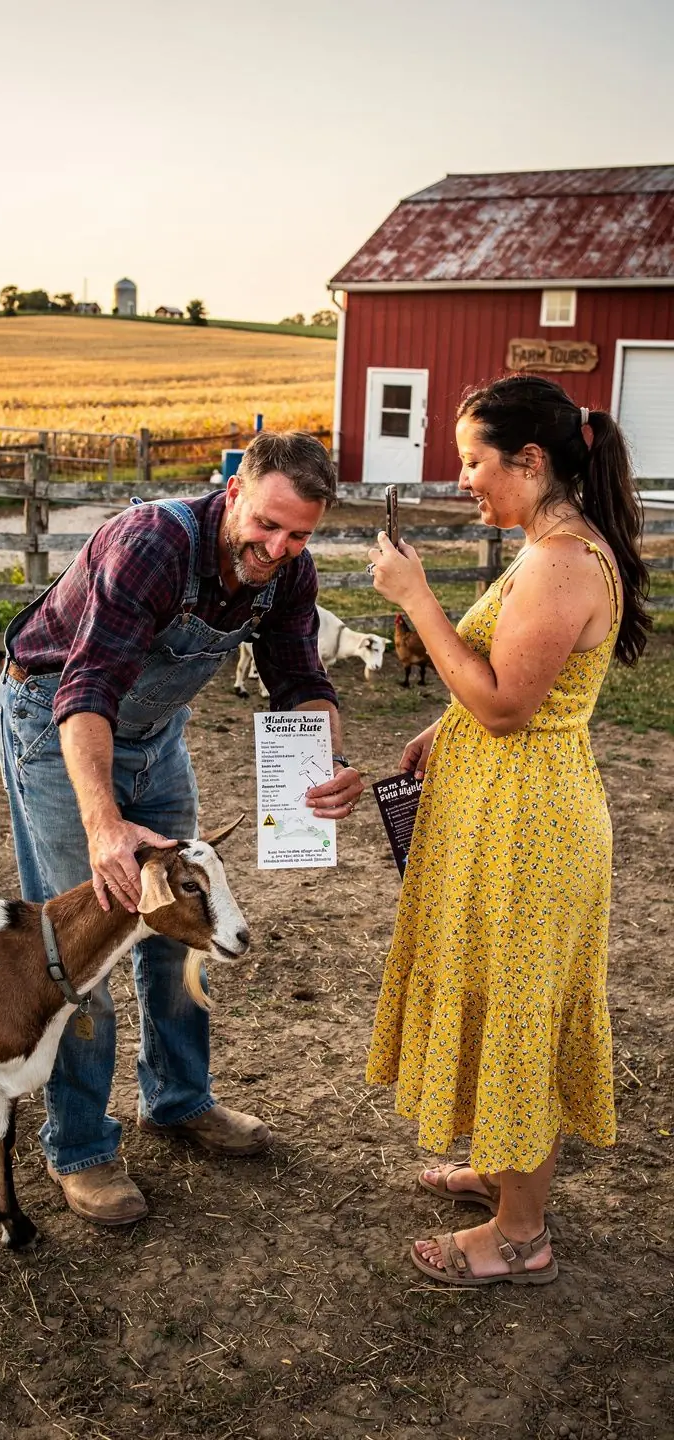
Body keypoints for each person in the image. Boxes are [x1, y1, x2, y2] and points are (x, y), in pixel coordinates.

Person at [0, 430, 364, 1226]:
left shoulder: (288, 572)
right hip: (58, 723)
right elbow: (86, 686)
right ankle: (82, 1146)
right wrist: (103, 825)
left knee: (179, 923)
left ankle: (181, 1099)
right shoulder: (155, 544)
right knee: (84, 937)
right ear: (233, 492)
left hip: (154, 734)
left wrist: (323, 760)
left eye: (299, 534)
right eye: (266, 524)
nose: (279, 547)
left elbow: (301, 678)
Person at [364, 374, 650, 1287]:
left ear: (530, 460)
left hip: (534, 826)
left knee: (521, 1010)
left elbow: (506, 707)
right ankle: (501, 1167)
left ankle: (522, 1236)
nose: (464, 481)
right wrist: (436, 725)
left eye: (475, 462)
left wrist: (416, 600)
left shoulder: (564, 560)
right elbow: (493, 686)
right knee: (498, 992)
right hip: (505, 812)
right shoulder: (544, 547)